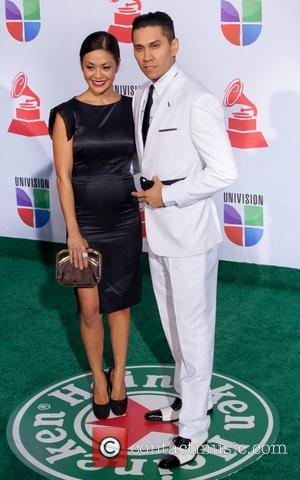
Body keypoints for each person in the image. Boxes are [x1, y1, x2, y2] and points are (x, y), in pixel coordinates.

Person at [131, 12, 238, 468]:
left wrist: (167, 196)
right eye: (138, 48)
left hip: (191, 235)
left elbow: (225, 171)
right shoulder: (143, 96)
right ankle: (191, 397)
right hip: (158, 236)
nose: (146, 56)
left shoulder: (198, 99)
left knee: (193, 333)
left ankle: (193, 428)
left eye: (155, 46)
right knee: (175, 327)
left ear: (175, 45)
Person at [49, 31, 142, 420]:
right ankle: (97, 379)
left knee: (119, 305)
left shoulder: (133, 108)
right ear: (82, 66)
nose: (98, 74)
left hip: (124, 219)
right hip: (84, 224)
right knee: (89, 308)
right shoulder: (65, 114)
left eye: (105, 66)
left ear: (117, 65)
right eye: (90, 67)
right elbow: (63, 177)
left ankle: (117, 376)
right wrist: (73, 230)